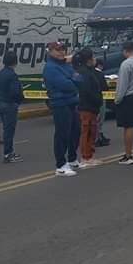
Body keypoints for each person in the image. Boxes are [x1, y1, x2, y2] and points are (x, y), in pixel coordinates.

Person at [43, 42, 81, 176]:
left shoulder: (64, 64)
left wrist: (74, 80)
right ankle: (60, 165)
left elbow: (78, 77)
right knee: (62, 134)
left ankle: (72, 158)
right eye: (57, 50)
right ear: (50, 51)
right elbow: (66, 84)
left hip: (72, 102)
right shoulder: (50, 67)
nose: (61, 52)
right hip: (60, 103)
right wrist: (74, 80)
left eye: (63, 49)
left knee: (75, 131)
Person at [74, 49, 102, 168]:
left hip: (89, 106)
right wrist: (97, 100)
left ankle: (89, 155)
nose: (95, 59)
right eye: (93, 57)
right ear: (89, 60)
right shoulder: (85, 73)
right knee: (87, 131)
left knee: (91, 131)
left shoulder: (84, 72)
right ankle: (86, 157)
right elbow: (87, 91)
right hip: (87, 106)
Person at [0, 51, 25, 163]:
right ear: (15, 62)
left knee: (6, 129)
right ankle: (8, 153)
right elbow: (15, 92)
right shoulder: (12, 75)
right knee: (9, 130)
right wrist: (19, 99)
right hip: (9, 104)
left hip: (0, 102)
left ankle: (8, 152)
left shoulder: (0, 73)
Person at [94, 59, 111, 147]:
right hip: (100, 98)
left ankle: (99, 136)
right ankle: (97, 138)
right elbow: (105, 87)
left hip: (92, 99)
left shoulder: (90, 73)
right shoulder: (100, 74)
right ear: (100, 65)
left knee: (96, 119)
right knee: (100, 118)